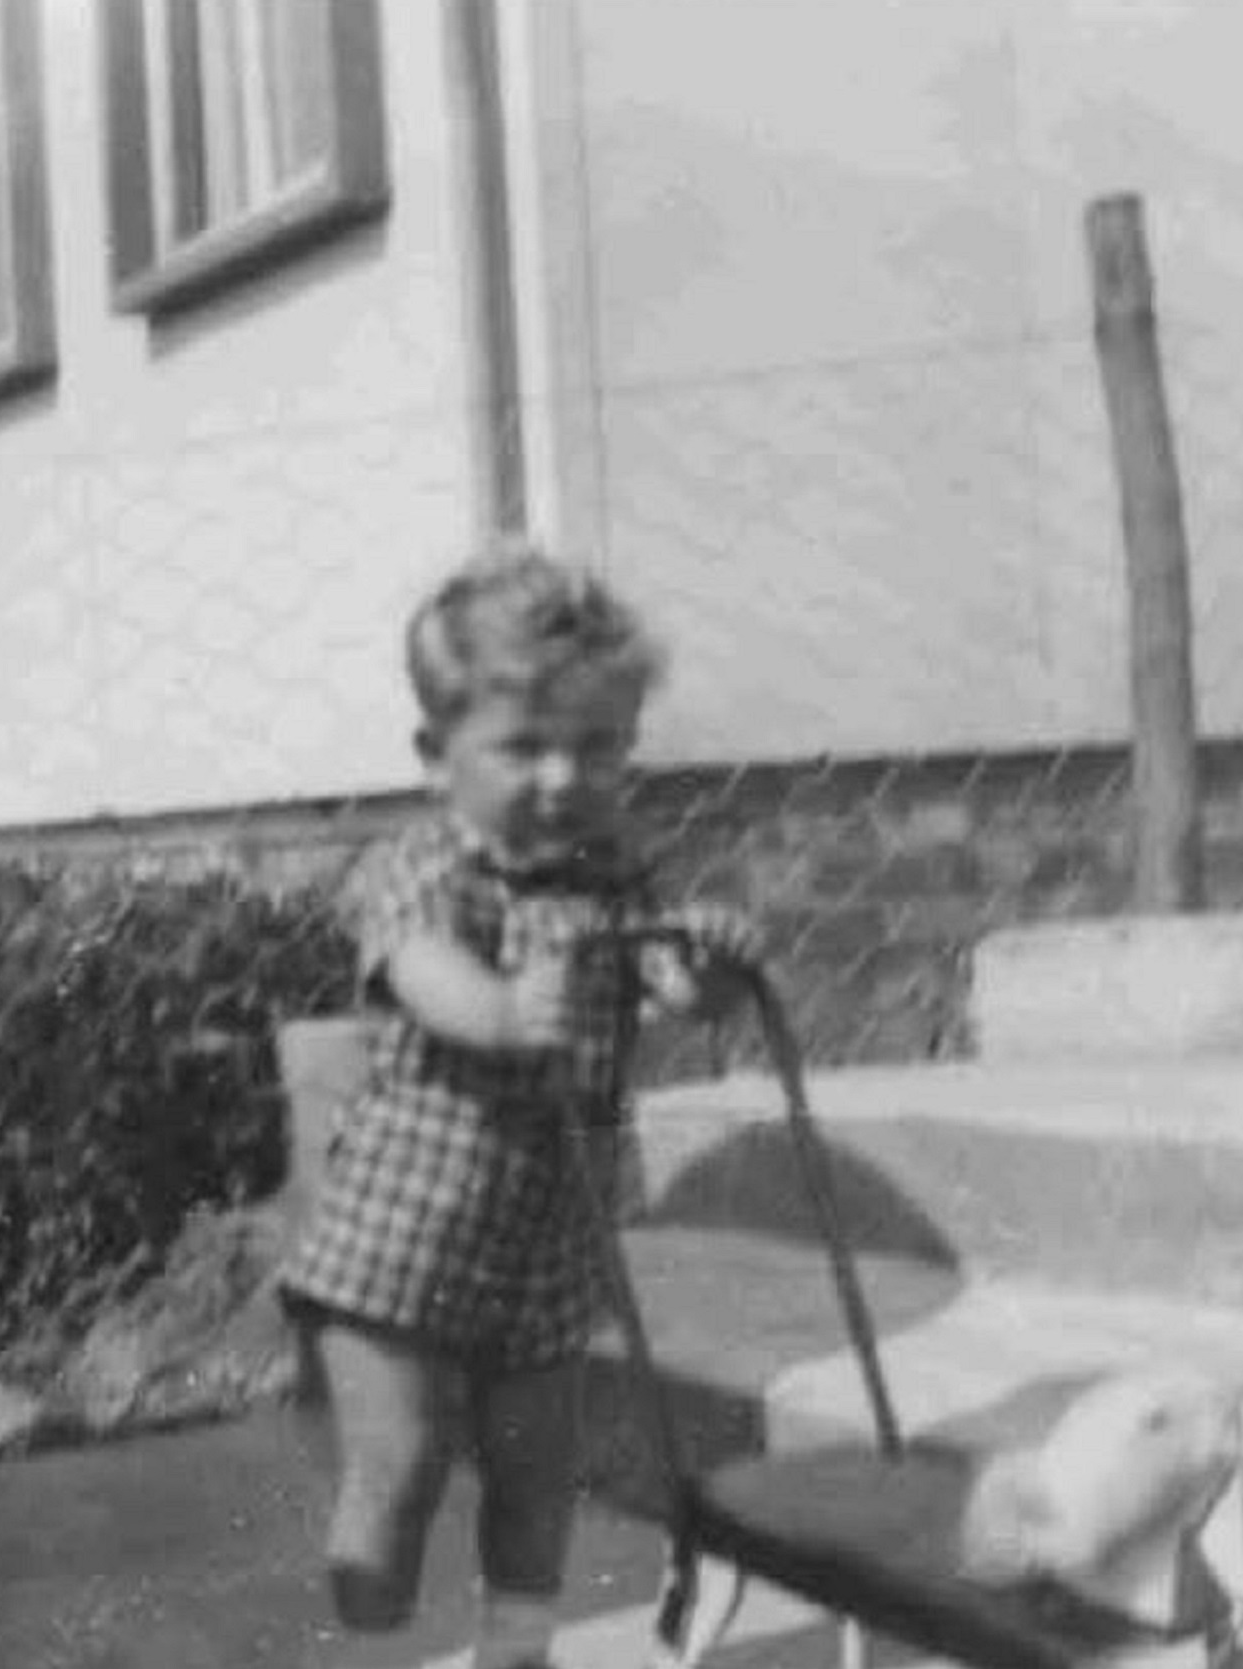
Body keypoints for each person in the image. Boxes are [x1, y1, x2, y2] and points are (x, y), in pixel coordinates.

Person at [278, 546, 762, 1669]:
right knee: (396, 1474)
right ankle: (363, 1649)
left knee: (536, 1488)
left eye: (597, 747)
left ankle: (518, 1661)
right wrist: (498, 1013)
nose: (562, 776)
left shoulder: (617, 877)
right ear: (435, 754)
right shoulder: (421, 868)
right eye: (523, 746)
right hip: (397, 1248)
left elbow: (674, 987)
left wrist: (714, 969)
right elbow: (416, 967)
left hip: (549, 1252)